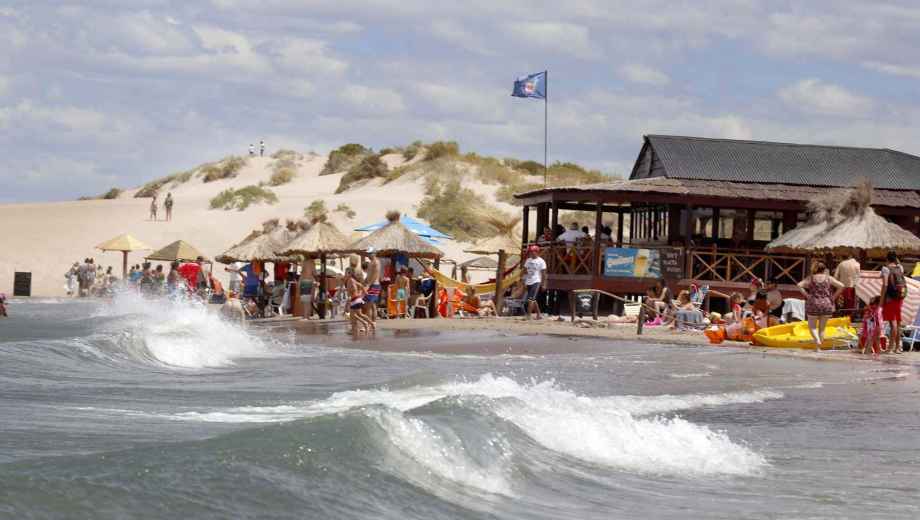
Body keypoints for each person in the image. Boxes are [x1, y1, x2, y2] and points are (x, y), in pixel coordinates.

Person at [798, 261, 844, 351]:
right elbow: (841, 286)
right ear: (824, 269)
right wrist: (833, 297)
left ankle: (817, 340)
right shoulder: (829, 278)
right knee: (822, 329)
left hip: (813, 303)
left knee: (812, 327)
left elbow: (799, 285)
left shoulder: (811, 278)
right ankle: (818, 348)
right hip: (827, 304)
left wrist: (807, 295)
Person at [880, 250, 907, 353]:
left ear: (886, 259)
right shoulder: (900, 267)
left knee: (893, 323)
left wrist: (881, 301)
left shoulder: (885, 269)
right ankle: (897, 347)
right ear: (895, 258)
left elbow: (885, 285)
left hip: (890, 298)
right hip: (900, 297)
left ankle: (890, 348)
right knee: (898, 322)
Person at [345, 267, 373, 334]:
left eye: (346, 273)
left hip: (355, 299)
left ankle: (358, 328)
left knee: (354, 316)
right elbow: (360, 285)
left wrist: (364, 292)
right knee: (358, 315)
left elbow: (359, 286)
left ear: (350, 274)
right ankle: (368, 324)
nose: (345, 274)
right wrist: (364, 292)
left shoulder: (351, 280)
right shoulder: (350, 280)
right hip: (355, 299)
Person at [523, 244, 546, 320]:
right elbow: (525, 271)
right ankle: (539, 315)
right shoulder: (528, 260)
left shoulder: (541, 261)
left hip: (536, 281)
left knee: (530, 299)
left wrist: (543, 284)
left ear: (537, 252)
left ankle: (528, 315)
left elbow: (544, 274)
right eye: (530, 251)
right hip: (528, 281)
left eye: (532, 251)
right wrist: (524, 281)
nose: (531, 253)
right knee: (533, 299)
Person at [363, 248, 381, 324]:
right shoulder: (371, 262)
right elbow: (369, 275)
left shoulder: (376, 262)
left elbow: (375, 274)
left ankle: (370, 322)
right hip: (370, 285)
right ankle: (372, 322)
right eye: (368, 253)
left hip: (374, 285)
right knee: (372, 305)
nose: (368, 255)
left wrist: (368, 285)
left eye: (370, 253)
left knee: (369, 306)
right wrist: (364, 282)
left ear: (374, 253)